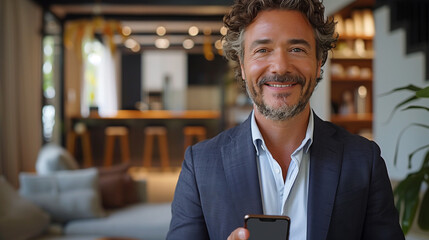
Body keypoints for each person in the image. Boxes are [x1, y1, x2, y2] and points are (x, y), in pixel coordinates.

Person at [167, 0, 405, 239]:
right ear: (241, 65)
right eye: (262, 50)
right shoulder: (200, 166)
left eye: (297, 49)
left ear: (319, 61)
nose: (280, 67)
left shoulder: (364, 161)